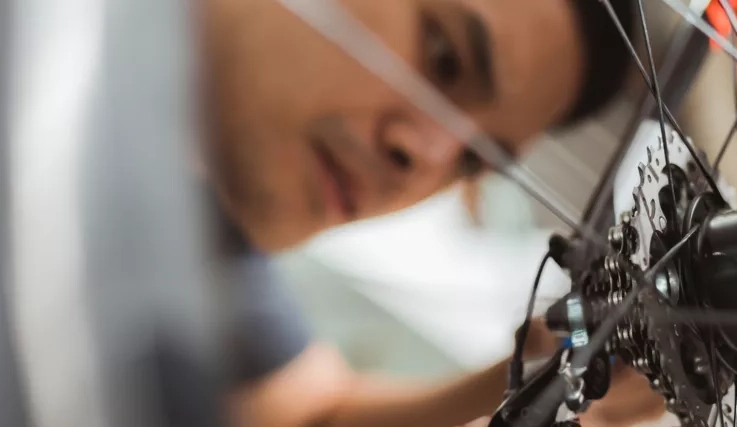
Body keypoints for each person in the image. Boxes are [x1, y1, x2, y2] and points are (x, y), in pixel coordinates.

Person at [201, 0, 666, 425]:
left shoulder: (205, 238)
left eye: (471, 160)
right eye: (445, 59)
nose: (425, 156)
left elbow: (302, 416)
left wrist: (543, 368)